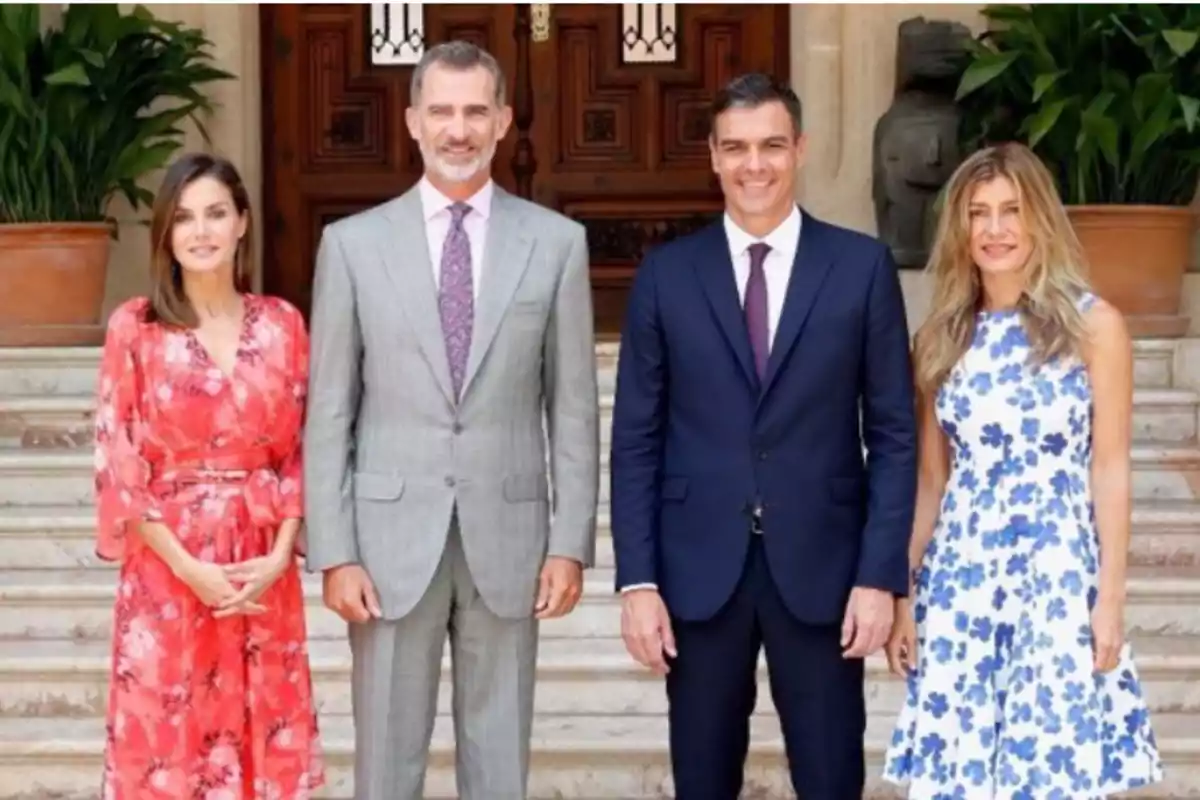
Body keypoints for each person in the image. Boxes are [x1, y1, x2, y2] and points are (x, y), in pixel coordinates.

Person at [302, 41, 599, 800]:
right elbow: (330, 411)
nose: (458, 130)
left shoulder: (557, 244)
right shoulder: (351, 246)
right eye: (442, 111)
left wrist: (570, 543)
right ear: (411, 121)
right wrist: (334, 551)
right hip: (386, 545)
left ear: (503, 121)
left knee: (499, 764)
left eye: (475, 111)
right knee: (386, 766)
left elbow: (570, 408)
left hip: (510, 537)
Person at [609, 72, 918, 799]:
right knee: (703, 779)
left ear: (800, 149)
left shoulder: (861, 268)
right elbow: (636, 440)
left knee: (831, 775)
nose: (756, 165)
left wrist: (880, 576)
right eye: (738, 147)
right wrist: (638, 581)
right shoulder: (664, 276)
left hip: (825, 570)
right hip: (697, 571)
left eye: (772, 146)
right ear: (713, 156)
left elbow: (896, 434)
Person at [882, 142, 1164, 797]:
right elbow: (930, 482)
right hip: (961, 584)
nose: (995, 229)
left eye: (1012, 211)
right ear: (961, 227)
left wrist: (1111, 599)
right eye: (978, 213)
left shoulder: (1096, 328)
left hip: (1057, 580)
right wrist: (904, 597)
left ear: (1040, 219)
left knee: (1051, 769)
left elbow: (1111, 468)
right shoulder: (941, 339)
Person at [93, 153, 324, 797]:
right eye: (184, 217)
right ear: (166, 233)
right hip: (167, 572)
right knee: (169, 748)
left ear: (242, 223)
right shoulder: (135, 327)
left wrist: (281, 554)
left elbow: (304, 450)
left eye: (216, 213)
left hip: (260, 569)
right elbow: (119, 459)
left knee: (262, 740)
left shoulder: (284, 325)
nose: (201, 231)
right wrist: (190, 568)